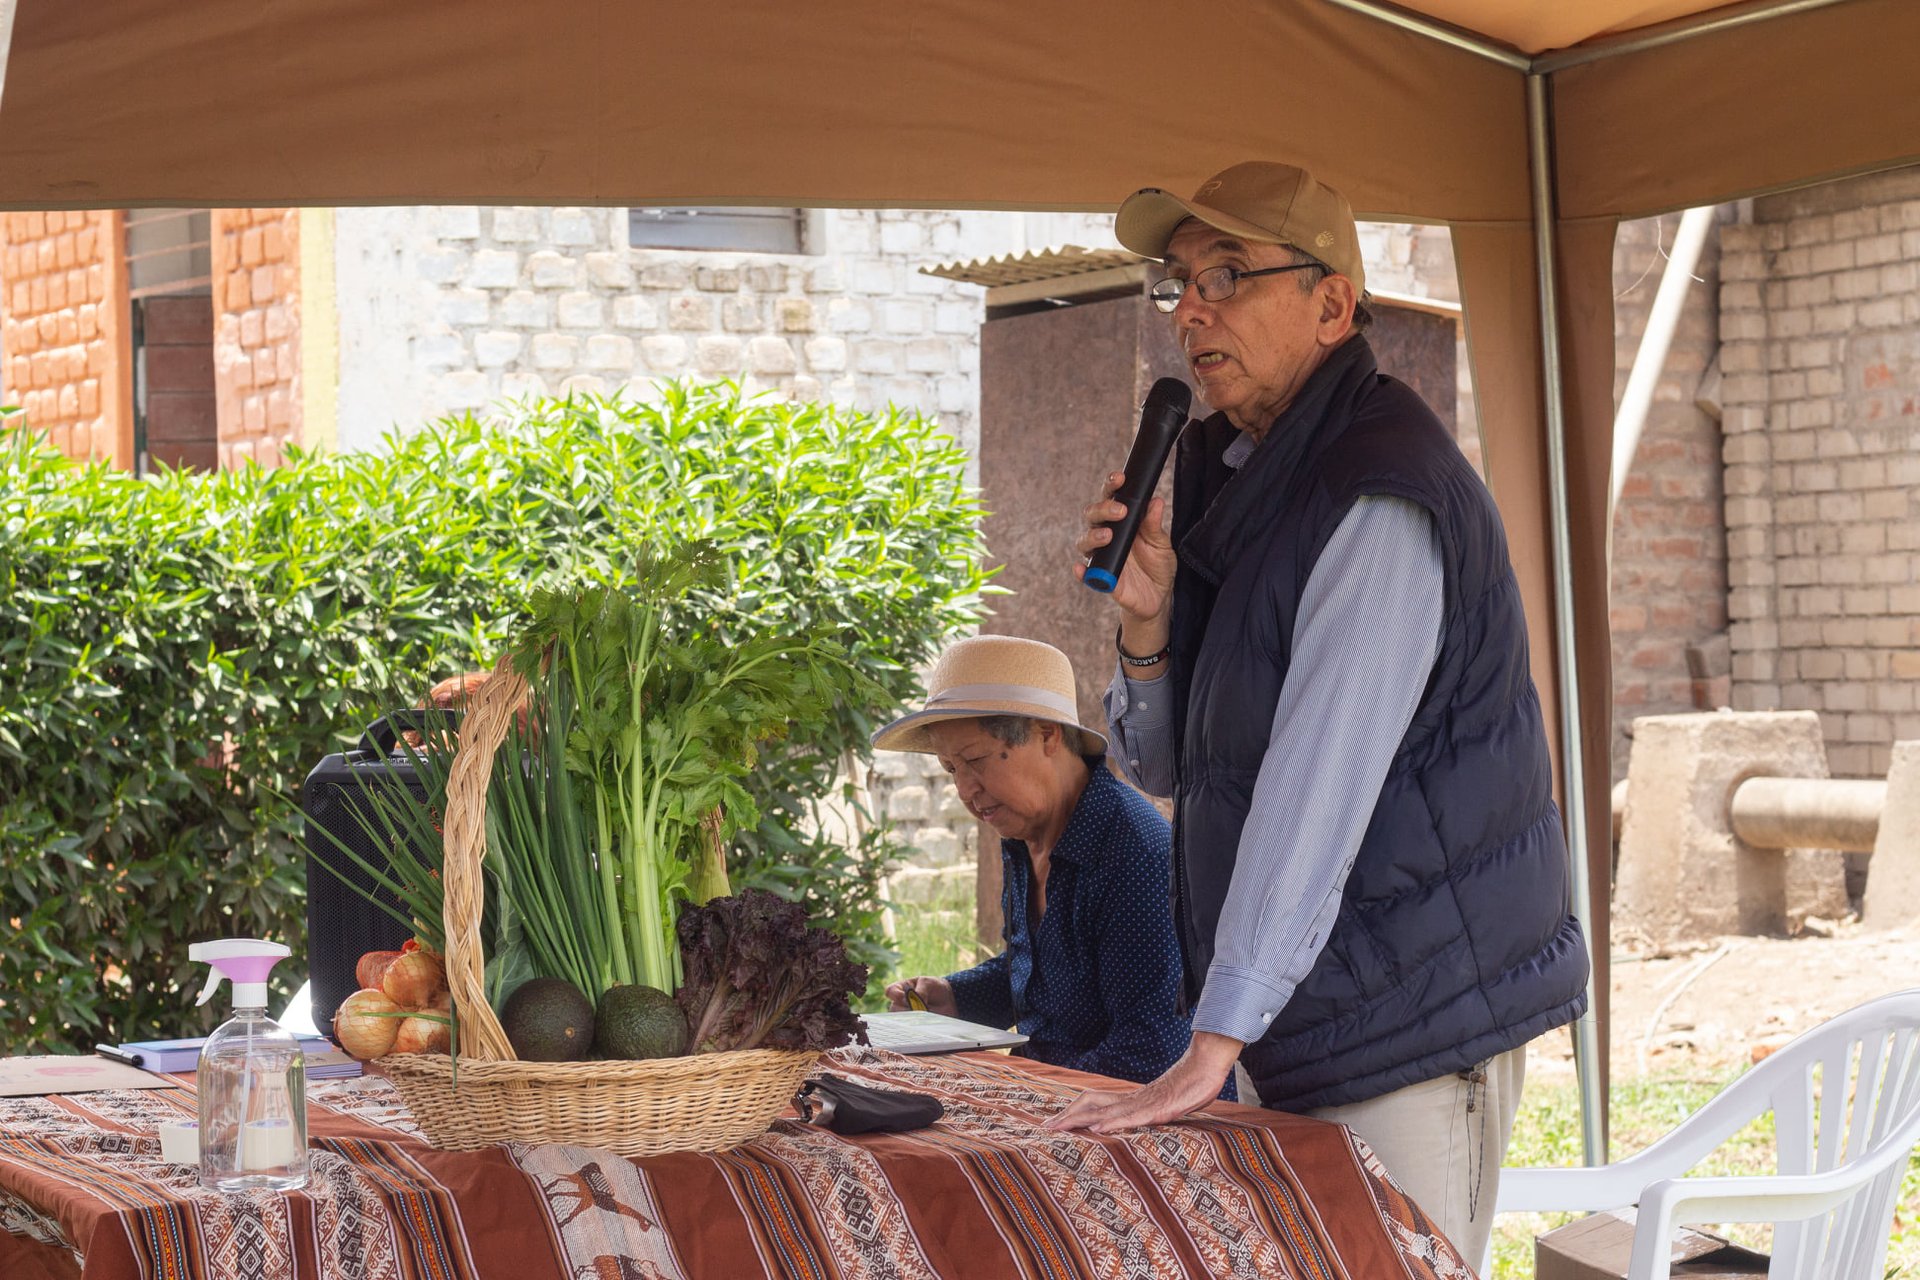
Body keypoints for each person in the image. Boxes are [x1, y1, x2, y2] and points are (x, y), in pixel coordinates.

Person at [1051, 160, 1588, 1266]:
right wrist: (1144, 625)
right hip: (1307, 1010)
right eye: (1181, 279)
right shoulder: (1236, 479)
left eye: (1231, 274)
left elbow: (1317, 777)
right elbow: (1167, 764)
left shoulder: (1379, 488)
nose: (1193, 307)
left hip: (1413, 1020)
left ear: (1333, 305)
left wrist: (1215, 1035)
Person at [873, 634, 1215, 1090]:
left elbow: (1153, 1051)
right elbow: (1048, 971)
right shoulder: (1023, 836)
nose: (966, 790)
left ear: (1047, 734)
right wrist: (958, 996)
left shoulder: (1134, 851)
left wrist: (1014, 1085)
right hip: (1055, 1102)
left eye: (976, 760)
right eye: (952, 770)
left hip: (1139, 1123)